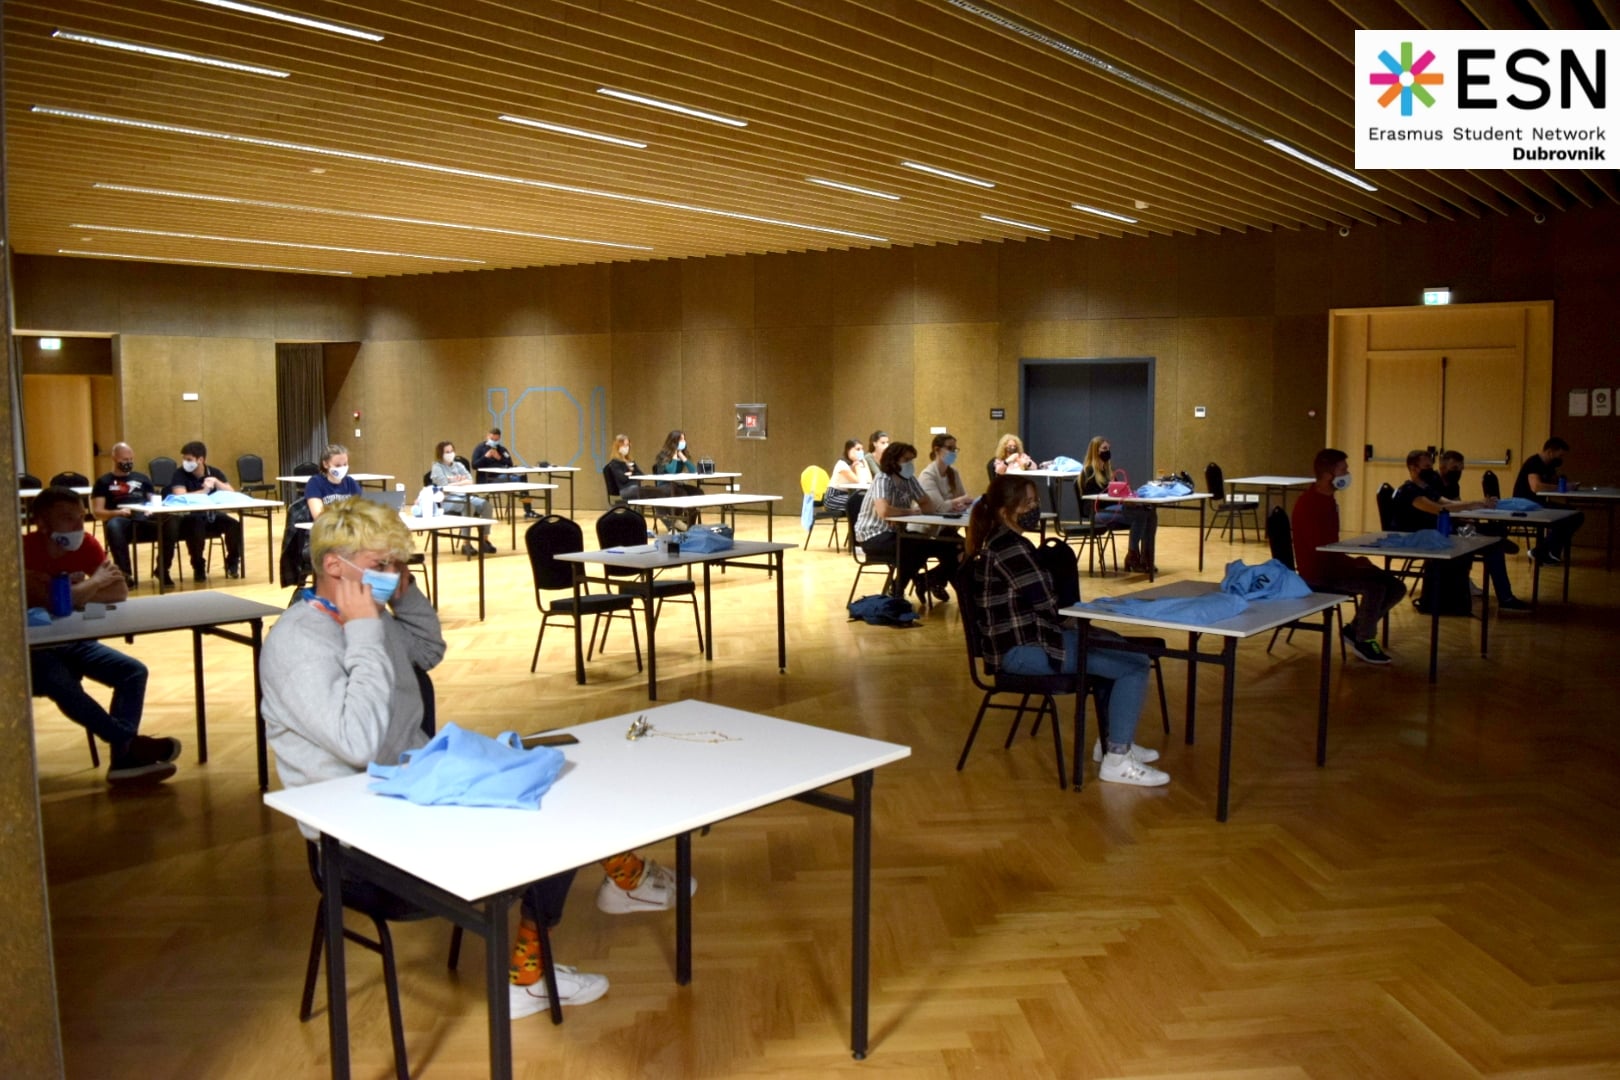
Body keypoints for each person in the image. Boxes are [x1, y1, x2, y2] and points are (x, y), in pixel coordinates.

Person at [260, 499, 608, 1015]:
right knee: (542, 829)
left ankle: (535, 965)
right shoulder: (298, 644)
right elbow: (357, 742)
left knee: (552, 795)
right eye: (381, 564)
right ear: (334, 565)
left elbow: (426, 649)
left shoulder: (369, 617)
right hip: (357, 845)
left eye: (400, 564)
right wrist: (364, 630)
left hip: (417, 792)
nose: (392, 574)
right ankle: (534, 971)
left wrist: (401, 595)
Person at [964, 474, 1167, 786]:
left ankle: (1112, 740)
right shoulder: (1010, 549)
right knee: (1134, 665)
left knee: (1119, 651)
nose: (1035, 508)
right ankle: (1116, 759)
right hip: (1022, 652)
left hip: (1032, 641)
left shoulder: (1004, 543)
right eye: (1027, 503)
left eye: (1036, 501)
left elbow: (1046, 606)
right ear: (1006, 511)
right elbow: (1050, 606)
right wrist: (1083, 616)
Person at [24, 486, 181, 785]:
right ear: (42, 524)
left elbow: (118, 592)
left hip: (73, 640)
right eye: (67, 518)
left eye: (80, 517)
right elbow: (46, 600)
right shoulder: (21, 550)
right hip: (31, 650)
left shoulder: (86, 544)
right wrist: (94, 583)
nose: (77, 526)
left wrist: (77, 591)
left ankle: (123, 760)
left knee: (132, 672)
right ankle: (128, 746)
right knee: (63, 684)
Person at [1291, 448, 1407, 665]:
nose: (1347, 474)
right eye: (1343, 470)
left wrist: (1355, 563)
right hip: (1319, 573)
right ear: (1328, 475)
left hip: (1333, 565)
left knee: (1395, 586)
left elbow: (1330, 547)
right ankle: (1364, 639)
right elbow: (1321, 550)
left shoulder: (1328, 500)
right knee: (1375, 588)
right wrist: (1354, 564)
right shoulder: (1309, 504)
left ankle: (1355, 630)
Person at [1391, 449, 1529, 613]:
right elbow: (1439, 509)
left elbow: (1448, 502)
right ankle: (1505, 596)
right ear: (1413, 468)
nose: (1431, 470)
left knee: (1491, 544)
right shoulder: (1409, 491)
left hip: (1439, 534)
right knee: (1491, 545)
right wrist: (1473, 504)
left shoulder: (1426, 488)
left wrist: (1479, 504)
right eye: (1426, 467)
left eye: (1431, 466)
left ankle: (1504, 592)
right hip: (1419, 538)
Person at [854, 441, 961, 602]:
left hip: (897, 533)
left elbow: (927, 504)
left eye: (911, 460)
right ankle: (897, 590)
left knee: (951, 547)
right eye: (906, 460)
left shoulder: (909, 480)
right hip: (873, 536)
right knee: (914, 548)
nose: (910, 464)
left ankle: (927, 580)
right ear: (893, 461)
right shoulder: (883, 479)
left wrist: (908, 511)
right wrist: (909, 512)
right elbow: (884, 510)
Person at [90, 441, 180, 587]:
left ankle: (163, 569)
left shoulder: (142, 478)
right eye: (125, 459)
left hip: (144, 517)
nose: (129, 462)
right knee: (114, 525)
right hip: (122, 519)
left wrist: (153, 508)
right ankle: (125, 574)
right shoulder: (103, 482)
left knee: (171, 521)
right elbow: (97, 512)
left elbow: (153, 499)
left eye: (131, 459)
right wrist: (117, 513)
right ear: (114, 458)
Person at [169, 440, 244, 581]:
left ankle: (232, 562)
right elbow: (179, 496)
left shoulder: (214, 472)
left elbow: (231, 493)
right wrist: (203, 492)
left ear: (201, 459)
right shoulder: (179, 474)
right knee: (196, 525)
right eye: (184, 459)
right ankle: (198, 566)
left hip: (212, 516)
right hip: (190, 518)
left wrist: (217, 482)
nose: (185, 463)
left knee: (234, 525)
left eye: (189, 460)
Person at [1080, 435, 1158, 573]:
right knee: (1140, 515)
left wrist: (1127, 497)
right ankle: (1132, 556)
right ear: (1095, 451)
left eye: (1108, 448)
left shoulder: (1109, 471)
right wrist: (1116, 496)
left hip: (1113, 508)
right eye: (1104, 449)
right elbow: (1095, 498)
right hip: (1098, 512)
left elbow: (1117, 493)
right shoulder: (1089, 472)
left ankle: (1147, 558)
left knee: (1150, 514)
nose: (1107, 452)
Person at [912, 432, 976, 598]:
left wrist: (957, 503)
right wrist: (958, 501)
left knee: (968, 550)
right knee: (959, 552)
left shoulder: (953, 473)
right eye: (950, 448)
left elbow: (965, 500)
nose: (953, 452)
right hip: (925, 531)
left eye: (955, 449)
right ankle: (946, 586)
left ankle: (929, 580)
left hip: (945, 528)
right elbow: (938, 507)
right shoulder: (928, 475)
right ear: (937, 450)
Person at [1512, 436, 1585, 565]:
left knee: (1574, 515)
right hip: (1526, 504)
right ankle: (1543, 551)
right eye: (1560, 455)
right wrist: (1563, 488)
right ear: (1550, 452)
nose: (1561, 459)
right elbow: (1536, 486)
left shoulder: (1549, 466)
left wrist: (1567, 484)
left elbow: (1554, 481)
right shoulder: (1534, 463)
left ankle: (1549, 553)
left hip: (1538, 503)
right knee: (1571, 517)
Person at [429, 441, 497, 556]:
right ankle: (466, 543)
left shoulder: (459, 465)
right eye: (447, 452)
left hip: (464, 495)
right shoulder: (437, 467)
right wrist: (460, 481)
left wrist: (453, 482)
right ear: (440, 454)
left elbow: (470, 480)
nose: (450, 454)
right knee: (468, 506)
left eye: (451, 451)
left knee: (486, 505)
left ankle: (484, 540)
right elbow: (444, 486)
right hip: (446, 500)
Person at [472, 426, 535, 519]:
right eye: (492, 439)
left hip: (501, 476)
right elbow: (474, 465)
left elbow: (510, 463)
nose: (494, 441)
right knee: (513, 478)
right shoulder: (480, 448)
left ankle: (528, 510)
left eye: (496, 440)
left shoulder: (501, 449)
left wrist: (499, 458)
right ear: (488, 436)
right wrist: (485, 457)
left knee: (523, 479)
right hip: (487, 479)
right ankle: (477, 512)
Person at [650, 429, 701, 530]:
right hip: (664, 485)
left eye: (684, 439)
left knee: (697, 492)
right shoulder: (662, 456)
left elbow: (694, 471)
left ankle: (689, 525)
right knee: (682, 493)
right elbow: (672, 472)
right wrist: (674, 455)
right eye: (681, 439)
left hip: (676, 484)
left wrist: (683, 457)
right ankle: (678, 524)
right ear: (674, 441)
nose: (683, 442)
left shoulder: (681, 455)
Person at [304, 443, 361, 520]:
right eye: (337, 465)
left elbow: (358, 511)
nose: (342, 468)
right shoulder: (315, 483)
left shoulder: (351, 482)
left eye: (345, 464)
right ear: (325, 464)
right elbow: (318, 516)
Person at [825, 438, 871, 516]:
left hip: (849, 494)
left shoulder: (857, 464)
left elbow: (869, 480)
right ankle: (855, 524)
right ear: (849, 450)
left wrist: (865, 462)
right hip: (834, 496)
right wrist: (856, 466)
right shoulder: (841, 464)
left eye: (862, 449)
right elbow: (857, 481)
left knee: (865, 500)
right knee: (858, 502)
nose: (861, 452)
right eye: (858, 449)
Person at [605, 433, 643, 501]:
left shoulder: (630, 461)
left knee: (653, 491)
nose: (626, 448)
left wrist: (630, 473)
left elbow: (641, 474)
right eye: (624, 445)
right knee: (645, 492)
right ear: (618, 447)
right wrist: (632, 472)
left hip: (635, 487)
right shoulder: (615, 463)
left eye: (627, 445)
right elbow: (623, 478)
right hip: (625, 489)